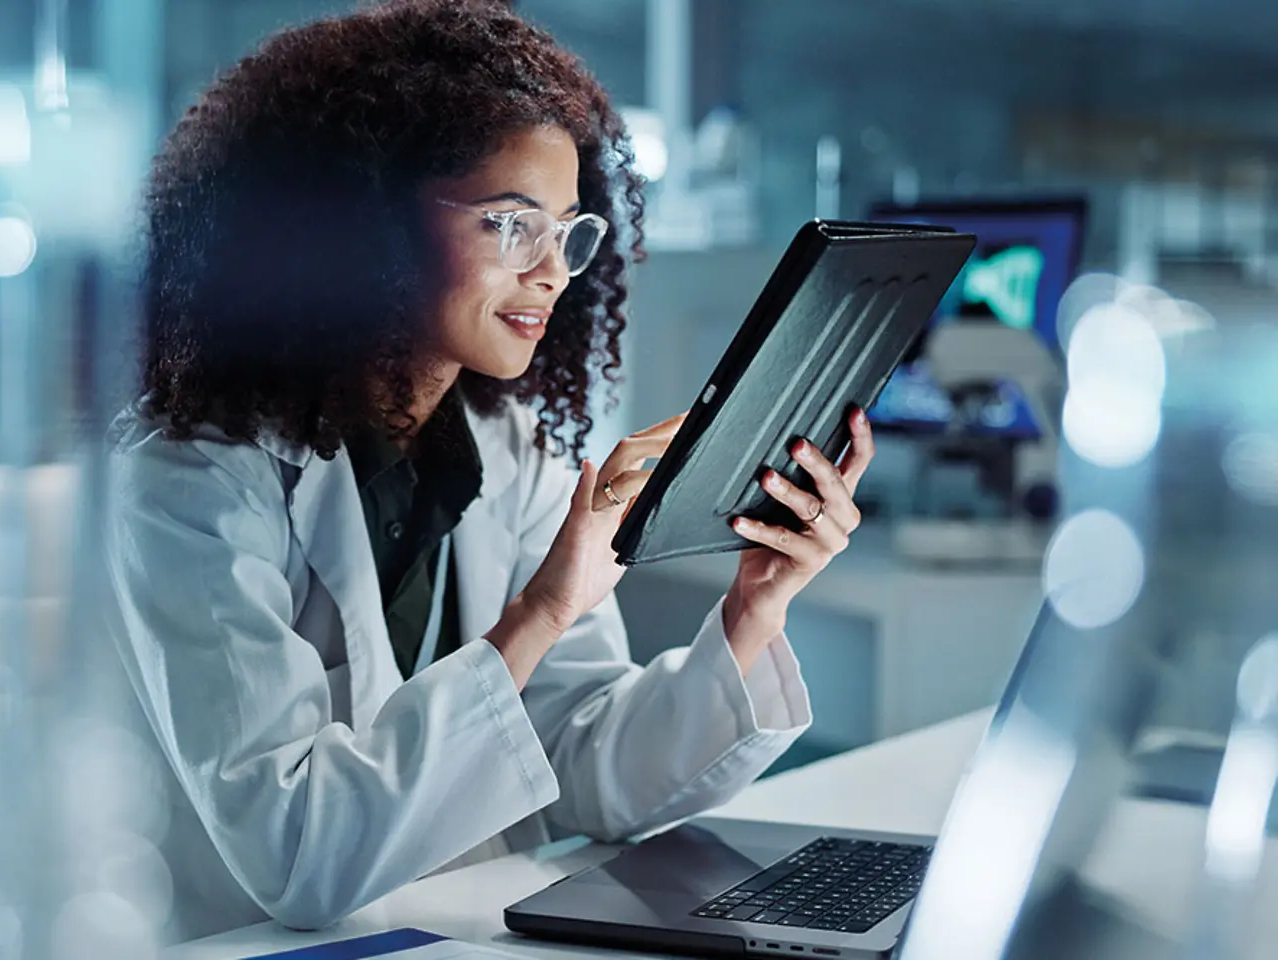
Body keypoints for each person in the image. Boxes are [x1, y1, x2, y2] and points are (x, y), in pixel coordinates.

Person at [102, 0, 874, 942]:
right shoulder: (193, 485)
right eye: (510, 225)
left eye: (568, 231)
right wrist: (539, 617)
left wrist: (753, 612)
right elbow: (297, 852)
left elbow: (586, 763)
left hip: (443, 927)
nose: (553, 271)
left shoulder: (509, 450)